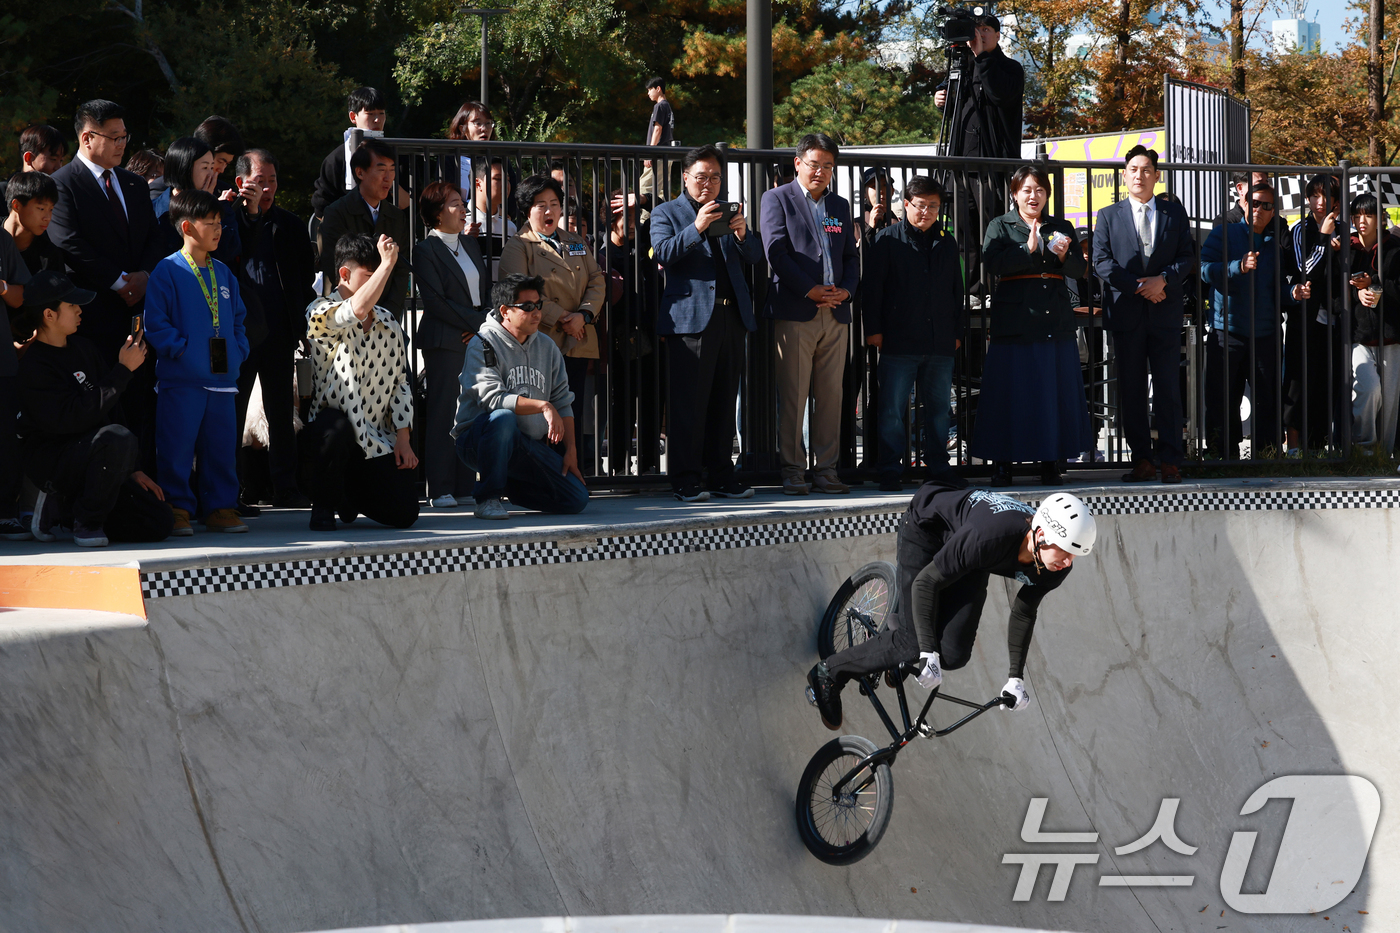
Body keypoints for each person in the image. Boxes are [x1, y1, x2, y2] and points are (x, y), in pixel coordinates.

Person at [806, 483, 1096, 731]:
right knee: (912, 643)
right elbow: (925, 583)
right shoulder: (990, 536)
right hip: (927, 530)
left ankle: (903, 633)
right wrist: (926, 649)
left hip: (970, 555)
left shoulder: (1056, 567)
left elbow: (1023, 611)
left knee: (954, 655)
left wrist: (1015, 678)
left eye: (1075, 555)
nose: (1068, 562)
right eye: (1066, 551)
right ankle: (828, 674)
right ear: (1042, 535)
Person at [48, 100, 165, 468]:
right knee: (101, 403)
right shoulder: (62, 184)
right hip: (92, 315)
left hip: (137, 314)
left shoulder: (132, 183)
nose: (122, 144)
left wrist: (144, 275)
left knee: (142, 399)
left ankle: (144, 487)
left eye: (124, 136)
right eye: (113, 137)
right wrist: (118, 283)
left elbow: (153, 237)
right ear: (87, 138)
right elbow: (67, 241)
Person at [18, 270, 174, 546]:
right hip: (54, 461)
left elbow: (112, 409)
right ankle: (85, 522)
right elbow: (72, 418)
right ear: (49, 315)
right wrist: (123, 370)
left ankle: (68, 511)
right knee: (116, 437)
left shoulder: (84, 348)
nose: (80, 310)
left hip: (98, 457)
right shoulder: (35, 364)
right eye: (71, 305)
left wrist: (132, 467)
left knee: (158, 520)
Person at [649, 144, 763, 501]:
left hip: (731, 316)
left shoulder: (729, 214)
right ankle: (685, 477)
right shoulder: (666, 212)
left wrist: (744, 234)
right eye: (701, 177)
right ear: (685, 177)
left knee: (723, 401)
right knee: (688, 403)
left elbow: (757, 257)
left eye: (715, 177)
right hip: (690, 320)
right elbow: (663, 252)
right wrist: (697, 228)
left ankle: (720, 474)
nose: (708, 183)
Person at [971, 164, 1092, 486]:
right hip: (1015, 321)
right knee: (1007, 395)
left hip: (1054, 317)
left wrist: (1066, 256)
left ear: (1047, 195)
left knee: (1054, 394)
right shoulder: (1001, 225)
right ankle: (1002, 464)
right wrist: (1028, 249)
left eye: (1039, 190)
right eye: (1026, 190)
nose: (1033, 196)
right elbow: (992, 263)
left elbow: (1079, 271)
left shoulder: (1060, 225)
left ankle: (1052, 461)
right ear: (1014, 194)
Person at [143, 189, 251, 535]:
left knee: (221, 446)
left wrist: (238, 349)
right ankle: (177, 507)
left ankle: (220, 506)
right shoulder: (167, 270)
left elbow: (238, 318)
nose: (219, 230)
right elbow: (156, 323)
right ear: (188, 227)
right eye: (211, 223)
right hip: (182, 380)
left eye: (220, 223)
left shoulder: (224, 273)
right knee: (176, 445)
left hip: (222, 379)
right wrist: (182, 351)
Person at [761, 132, 859, 496]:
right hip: (796, 311)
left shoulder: (840, 206)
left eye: (828, 166)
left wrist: (846, 291)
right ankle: (792, 470)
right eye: (814, 164)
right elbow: (776, 252)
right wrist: (809, 289)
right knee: (793, 395)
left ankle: (827, 470)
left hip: (836, 312)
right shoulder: (776, 199)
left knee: (831, 397)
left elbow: (851, 256)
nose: (821, 172)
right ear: (798, 163)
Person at [300, 234, 419, 532]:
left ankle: (346, 494)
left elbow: (400, 383)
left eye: (383, 274)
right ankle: (324, 504)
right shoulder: (319, 310)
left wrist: (403, 437)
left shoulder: (389, 321)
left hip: (374, 436)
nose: (381, 282)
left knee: (405, 514)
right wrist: (388, 262)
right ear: (344, 274)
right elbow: (355, 310)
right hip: (331, 431)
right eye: (372, 275)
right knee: (335, 428)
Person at [1092, 146, 1195, 484]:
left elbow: (1187, 256)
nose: (1140, 175)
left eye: (1146, 169)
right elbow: (1102, 261)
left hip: (1164, 312)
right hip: (1127, 313)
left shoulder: (1173, 214)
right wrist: (1140, 286)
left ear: (1156, 175)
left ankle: (1170, 459)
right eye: (1133, 169)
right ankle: (1142, 460)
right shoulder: (1108, 215)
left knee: (1168, 387)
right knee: (1132, 390)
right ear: (1124, 175)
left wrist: (1163, 280)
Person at [452, 272, 589, 520]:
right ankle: (488, 498)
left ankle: (507, 484)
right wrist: (542, 406)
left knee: (576, 499)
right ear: (505, 311)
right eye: (527, 307)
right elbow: (492, 399)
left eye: (539, 305)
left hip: (526, 445)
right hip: (478, 440)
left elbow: (562, 400)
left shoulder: (547, 346)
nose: (536, 312)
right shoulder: (483, 342)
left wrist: (571, 450)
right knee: (503, 417)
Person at [863, 175, 965, 492]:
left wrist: (956, 331)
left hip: (939, 341)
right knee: (892, 410)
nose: (926, 212)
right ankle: (890, 468)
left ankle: (937, 467)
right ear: (907, 204)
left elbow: (956, 291)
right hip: (898, 339)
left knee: (938, 411)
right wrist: (874, 330)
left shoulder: (947, 242)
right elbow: (872, 289)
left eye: (933, 206)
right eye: (920, 205)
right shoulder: (887, 239)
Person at [499, 174, 605, 465]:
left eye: (554, 204)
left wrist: (583, 315)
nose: (549, 211)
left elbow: (596, 279)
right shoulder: (518, 246)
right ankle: (545, 477)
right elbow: (519, 291)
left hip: (578, 337)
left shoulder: (574, 240)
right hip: (542, 342)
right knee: (542, 418)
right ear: (527, 210)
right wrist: (563, 317)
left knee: (572, 410)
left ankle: (572, 473)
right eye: (540, 205)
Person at [1200, 182, 1309, 458]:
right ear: (1244, 203)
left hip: (1266, 333)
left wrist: (1293, 293)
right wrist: (1237, 267)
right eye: (1255, 202)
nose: (1259, 209)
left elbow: (1276, 289)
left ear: (1274, 212)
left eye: (1267, 205)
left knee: (1267, 399)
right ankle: (1220, 454)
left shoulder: (1275, 246)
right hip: (1228, 331)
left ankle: (1267, 455)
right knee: (1223, 398)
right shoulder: (1224, 233)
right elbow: (1202, 270)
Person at [233, 148, 316, 508]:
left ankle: (285, 485)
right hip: (239, 332)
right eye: (259, 181)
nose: (267, 188)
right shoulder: (227, 221)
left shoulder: (291, 225)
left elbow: (305, 275)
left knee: (281, 411)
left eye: (272, 180)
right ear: (240, 183)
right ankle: (235, 489)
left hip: (280, 330)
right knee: (234, 413)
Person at [932, 13, 1024, 295]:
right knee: (963, 234)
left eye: (986, 29)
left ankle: (994, 290)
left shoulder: (1010, 68)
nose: (980, 34)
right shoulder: (961, 66)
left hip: (990, 165)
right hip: (959, 164)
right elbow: (950, 100)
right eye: (976, 29)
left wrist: (982, 57)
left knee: (990, 231)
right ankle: (972, 292)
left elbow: (998, 94)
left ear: (997, 35)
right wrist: (939, 96)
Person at [413, 180, 488, 509]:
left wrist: (481, 326)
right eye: (456, 203)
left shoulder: (470, 245)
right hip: (444, 340)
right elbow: (435, 301)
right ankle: (439, 486)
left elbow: (485, 294)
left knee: (469, 411)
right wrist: (477, 324)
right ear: (437, 213)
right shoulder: (425, 250)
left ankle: (462, 483)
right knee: (444, 412)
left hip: (473, 338)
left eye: (463, 202)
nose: (464, 209)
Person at [1285, 174, 1348, 452]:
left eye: (1326, 196)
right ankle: (1294, 447)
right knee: (1298, 381)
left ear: (1336, 200)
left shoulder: (1346, 230)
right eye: (1314, 196)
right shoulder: (1301, 229)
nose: (1319, 202)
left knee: (1328, 381)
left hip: (1337, 318)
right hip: (1305, 317)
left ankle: (1320, 447)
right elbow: (1305, 270)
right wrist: (1323, 239)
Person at [318, 139, 411, 317]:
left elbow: (401, 269)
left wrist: (388, 312)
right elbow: (333, 267)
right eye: (382, 170)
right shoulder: (336, 212)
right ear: (360, 172)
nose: (388, 177)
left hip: (386, 317)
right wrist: (359, 310)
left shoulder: (397, 217)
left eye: (392, 170)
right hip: (346, 314)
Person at [1347, 192, 1400, 455]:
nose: (1362, 220)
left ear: (1381, 218)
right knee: (1368, 388)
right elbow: (1333, 295)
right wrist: (1355, 293)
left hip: (1391, 336)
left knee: (1391, 403)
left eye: (1368, 214)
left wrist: (1374, 285)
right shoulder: (1345, 249)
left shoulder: (1395, 249)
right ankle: (1365, 450)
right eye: (1357, 215)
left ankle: (1385, 456)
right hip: (1358, 337)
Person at [312, 87, 388, 219]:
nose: (377, 120)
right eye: (370, 114)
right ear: (353, 116)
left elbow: (409, 202)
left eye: (381, 113)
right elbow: (322, 205)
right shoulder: (337, 159)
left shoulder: (397, 153)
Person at [5, 171, 65, 276]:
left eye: (51, 209)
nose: (47, 218)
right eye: (41, 208)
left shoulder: (49, 256)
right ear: (16, 205)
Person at [469, 156, 517, 277]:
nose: (506, 185)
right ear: (478, 183)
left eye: (507, 179)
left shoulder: (510, 227)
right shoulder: (461, 222)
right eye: (498, 179)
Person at [0, 125, 67, 207]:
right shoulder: (2, 192)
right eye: (53, 159)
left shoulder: (61, 194)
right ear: (29, 158)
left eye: (61, 161)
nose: (58, 167)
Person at [193, 116, 245, 182]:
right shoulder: (179, 187)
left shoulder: (222, 189)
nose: (222, 170)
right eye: (220, 161)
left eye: (226, 164)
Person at [644, 77, 674, 155]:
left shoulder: (659, 106)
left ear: (658, 89)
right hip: (666, 152)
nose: (648, 93)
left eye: (650, 89)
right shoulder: (667, 106)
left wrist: (650, 152)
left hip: (657, 154)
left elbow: (657, 130)